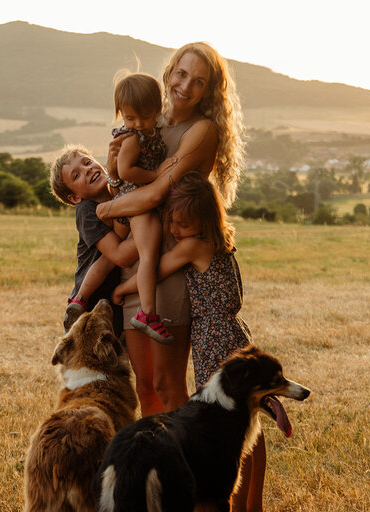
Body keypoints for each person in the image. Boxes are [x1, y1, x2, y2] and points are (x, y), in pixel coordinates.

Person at [97, 42, 246, 418]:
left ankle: (189, 468)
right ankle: (158, 472)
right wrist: (114, 173)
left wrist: (104, 207)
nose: (186, 86)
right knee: (145, 388)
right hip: (136, 260)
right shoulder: (147, 121)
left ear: (209, 91)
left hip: (170, 267)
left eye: (199, 81)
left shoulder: (202, 131)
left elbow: (158, 193)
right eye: (182, 74)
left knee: (168, 386)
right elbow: (127, 190)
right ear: (169, 72)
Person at [111, 172, 266, 512]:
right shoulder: (220, 240)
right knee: (247, 421)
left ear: (202, 220)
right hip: (234, 334)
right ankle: (251, 508)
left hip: (216, 343)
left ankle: (239, 508)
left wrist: (122, 292)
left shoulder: (194, 245)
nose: (175, 230)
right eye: (172, 223)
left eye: (182, 223)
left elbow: (159, 268)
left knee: (229, 428)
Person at [74, 73, 172, 344]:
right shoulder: (132, 139)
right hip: (136, 203)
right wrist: (157, 176)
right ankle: (147, 313)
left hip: (135, 201)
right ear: (120, 115)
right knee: (148, 253)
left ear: (158, 109)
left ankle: (140, 310)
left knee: (145, 252)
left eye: (145, 116)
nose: (138, 124)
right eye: (130, 119)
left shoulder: (150, 132)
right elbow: (126, 170)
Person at [49, 145, 138, 335]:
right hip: (91, 301)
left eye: (87, 162)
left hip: (114, 295)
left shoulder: (120, 191)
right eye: (76, 175)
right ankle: (78, 301)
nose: (87, 170)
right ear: (74, 197)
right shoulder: (86, 211)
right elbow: (117, 253)